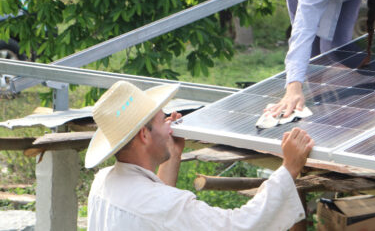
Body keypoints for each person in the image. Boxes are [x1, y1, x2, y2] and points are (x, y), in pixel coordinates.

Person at [85, 80, 314, 230]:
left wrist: (173, 155)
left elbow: (156, 213)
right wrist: (288, 169)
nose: (169, 126)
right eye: (161, 119)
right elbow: (240, 226)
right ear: (144, 135)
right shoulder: (166, 205)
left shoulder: (102, 183)